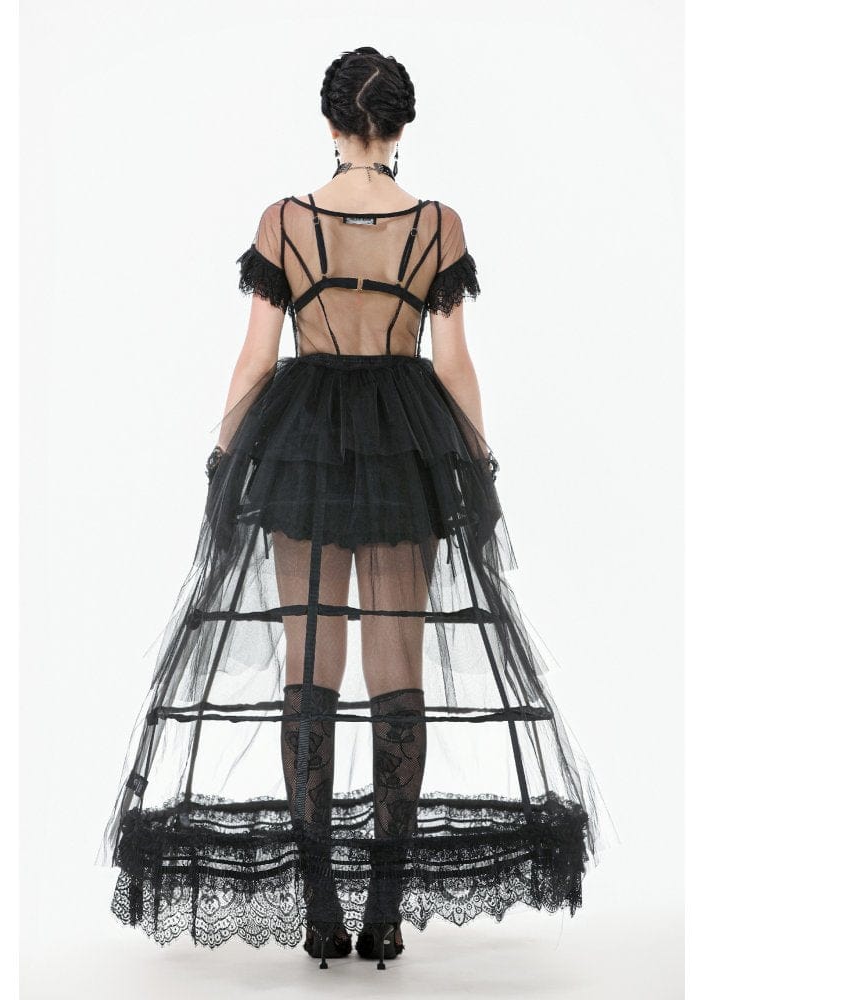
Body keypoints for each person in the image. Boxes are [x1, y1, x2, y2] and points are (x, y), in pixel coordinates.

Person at [99, 45, 602, 971]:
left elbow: (255, 360)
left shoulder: (286, 222)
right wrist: (477, 463)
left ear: (332, 124)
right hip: (408, 445)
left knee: (312, 668)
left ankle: (321, 909)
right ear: (401, 127)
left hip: (302, 446)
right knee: (396, 673)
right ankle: (385, 911)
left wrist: (225, 459)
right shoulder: (437, 226)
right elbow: (453, 364)